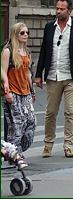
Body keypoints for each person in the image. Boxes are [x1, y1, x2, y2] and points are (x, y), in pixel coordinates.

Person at [34, 0, 73, 158]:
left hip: (72, 77)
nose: (58, 11)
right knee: (50, 112)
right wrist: (38, 74)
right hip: (53, 76)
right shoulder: (49, 27)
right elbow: (44, 51)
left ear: (69, 10)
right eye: (57, 8)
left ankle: (68, 145)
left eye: (61, 9)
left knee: (71, 112)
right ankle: (48, 144)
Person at [2, 23, 37, 153]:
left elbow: (27, 72)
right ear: (15, 34)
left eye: (27, 32)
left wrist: (32, 90)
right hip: (13, 92)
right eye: (22, 33)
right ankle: (15, 155)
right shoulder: (8, 51)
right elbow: (3, 72)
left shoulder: (27, 51)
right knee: (17, 125)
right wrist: (7, 92)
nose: (26, 35)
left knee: (31, 122)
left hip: (26, 92)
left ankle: (14, 151)